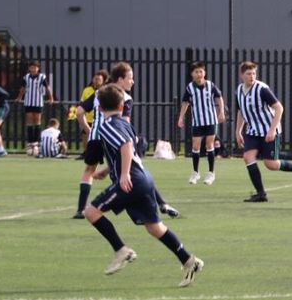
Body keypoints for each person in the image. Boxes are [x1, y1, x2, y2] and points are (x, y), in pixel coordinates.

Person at [83, 83, 204, 287]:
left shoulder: (106, 126)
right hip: (144, 178)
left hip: (131, 180)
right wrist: (107, 170)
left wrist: (123, 175)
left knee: (91, 212)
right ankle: (188, 260)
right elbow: (129, 150)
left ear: (100, 108)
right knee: (154, 227)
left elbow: (126, 146)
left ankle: (121, 250)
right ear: (122, 106)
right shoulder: (124, 123)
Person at [74, 62, 180, 219]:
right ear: (120, 79)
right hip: (114, 139)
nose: (133, 81)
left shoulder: (99, 92)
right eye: (130, 78)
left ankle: (80, 210)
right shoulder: (126, 98)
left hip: (97, 137)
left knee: (89, 171)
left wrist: (90, 131)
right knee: (135, 170)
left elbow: (79, 112)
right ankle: (160, 204)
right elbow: (124, 123)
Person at [234, 60, 292, 202]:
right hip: (253, 132)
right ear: (241, 75)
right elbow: (241, 111)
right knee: (248, 157)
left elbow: (279, 108)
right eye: (248, 74)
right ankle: (261, 194)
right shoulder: (238, 91)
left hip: (269, 131)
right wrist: (238, 131)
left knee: (271, 164)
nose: (252, 76)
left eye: (254, 73)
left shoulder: (262, 89)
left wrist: (272, 130)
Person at [176, 61, 226, 184]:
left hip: (211, 120)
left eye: (201, 71)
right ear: (192, 74)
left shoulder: (210, 85)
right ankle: (195, 172)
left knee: (210, 145)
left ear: (204, 73)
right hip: (197, 121)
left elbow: (219, 98)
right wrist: (181, 117)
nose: (199, 74)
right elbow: (185, 103)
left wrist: (221, 112)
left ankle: (211, 173)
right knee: (195, 146)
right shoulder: (190, 88)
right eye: (196, 72)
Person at [15, 61, 54, 149]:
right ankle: (30, 141)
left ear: (38, 68)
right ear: (29, 68)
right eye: (31, 67)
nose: (33, 69)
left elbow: (47, 87)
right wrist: (19, 97)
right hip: (28, 101)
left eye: (35, 67)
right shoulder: (26, 77)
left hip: (38, 101)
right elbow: (23, 88)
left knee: (37, 120)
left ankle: (36, 141)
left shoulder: (42, 77)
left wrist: (51, 98)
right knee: (29, 120)